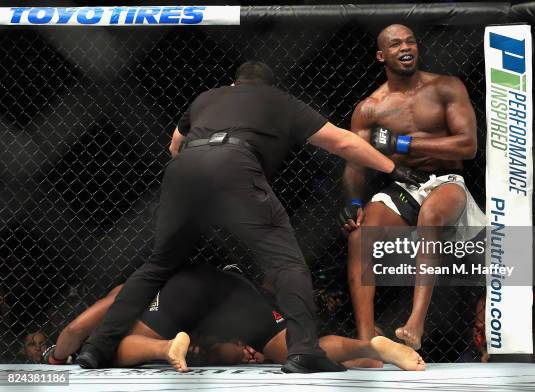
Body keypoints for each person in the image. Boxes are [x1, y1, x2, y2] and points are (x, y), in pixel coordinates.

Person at [78, 60, 427, 373]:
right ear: (270, 87)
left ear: (234, 84)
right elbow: (343, 142)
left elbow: (174, 145)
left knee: (157, 265)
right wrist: (393, 167)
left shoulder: (206, 97)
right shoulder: (280, 101)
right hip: (234, 165)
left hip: (184, 170)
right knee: (287, 264)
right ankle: (304, 351)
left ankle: (96, 349)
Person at [340, 24, 486, 349]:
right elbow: (354, 162)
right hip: (404, 186)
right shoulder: (370, 108)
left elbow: (467, 146)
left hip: (446, 181)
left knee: (431, 217)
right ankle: (365, 340)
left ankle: (414, 325)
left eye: (410, 41)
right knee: (360, 236)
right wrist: (352, 202)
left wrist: (403, 144)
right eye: (395, 44)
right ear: (382, 55)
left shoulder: (446, 87)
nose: (405, 47)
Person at [45, 263, 426, 372]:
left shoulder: (127, 293)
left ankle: (163, 348)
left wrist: (56, 357)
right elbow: (220, 353)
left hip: (184, 291)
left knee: (106, 346)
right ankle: (370, 345)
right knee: (297, 349)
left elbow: (76, 330)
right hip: (237, 290)